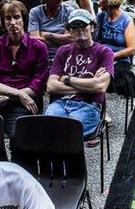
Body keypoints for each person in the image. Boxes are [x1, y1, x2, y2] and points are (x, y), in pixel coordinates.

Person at [46, 9, 114, 144]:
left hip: (89, 105)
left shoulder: (104, 52)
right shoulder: (63, 51)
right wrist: (89, 85)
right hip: (61, 104)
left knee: (67, 132)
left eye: (83, 25)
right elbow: (51, 86)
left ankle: (66, 165)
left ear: (92, 27)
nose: (79, 29)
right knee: (49, 128)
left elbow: (100, 86)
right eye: (74, 26)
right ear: (69, 31)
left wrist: (67, 79)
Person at [0, 1, 49, 137]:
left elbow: (38, 85)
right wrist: (17, 94)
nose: (12, 22)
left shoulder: (38, 47)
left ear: (24, 20)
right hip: (0, 99)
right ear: (3, 22)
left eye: (16, 17)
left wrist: (8, 96)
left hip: (26, 101)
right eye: (8, 18)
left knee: (17, 136)